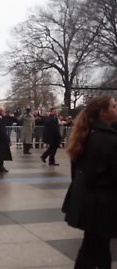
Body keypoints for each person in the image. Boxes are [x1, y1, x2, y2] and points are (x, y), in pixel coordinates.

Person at [62, 96, 117, 269]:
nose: (116, 109)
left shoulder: (85, 135)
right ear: (103, 112)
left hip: (88, 202)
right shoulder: (109, 140)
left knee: (94, 248)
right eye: (114, 106)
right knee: (95, 249)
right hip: (101, 204)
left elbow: (76, 172)